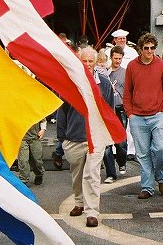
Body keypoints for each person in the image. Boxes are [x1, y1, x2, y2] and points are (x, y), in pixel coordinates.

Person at [58, 46, 113, 227]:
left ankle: (92, 212)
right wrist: (62, 138)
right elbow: (62, 111)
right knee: (77, 174)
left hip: (95, 137)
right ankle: (79, 202)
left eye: (91, 61)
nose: (88, 64)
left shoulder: (104, 84)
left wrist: (109, 134)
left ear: (96, 63)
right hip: (73, 136)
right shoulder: (70, 82)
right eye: (85, 61)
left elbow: (110, 110)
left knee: (92, 175)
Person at [123, 33, 163, 199]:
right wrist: (129, 113)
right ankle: (147, 187)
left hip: (157, 115)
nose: (150, 51)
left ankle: (161, 177)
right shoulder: (131, 66)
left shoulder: (162, 65)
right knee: (143, 154)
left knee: (160, 148)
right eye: (146, 48)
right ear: (140, 49)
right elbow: (127, 91)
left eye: (152, 48)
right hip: (137, 116)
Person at [103, 45, 128, 181]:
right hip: (107, 109)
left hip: (121, 109)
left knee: (121, 141)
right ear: (111, 58)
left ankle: (122, 162)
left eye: (120, 58)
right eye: (115, 58)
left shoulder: (125, 73)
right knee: (107, 142)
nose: (117, 61)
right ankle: (110, 173)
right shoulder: (105, 73)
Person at [17, 119, 46, 186]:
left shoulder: (35, 108)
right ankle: (23, 179)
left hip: (35, 137)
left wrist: (43, 129)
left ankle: (39, 174)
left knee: (37, 160)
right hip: (22, 138)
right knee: (23, 160)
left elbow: (43, 118)